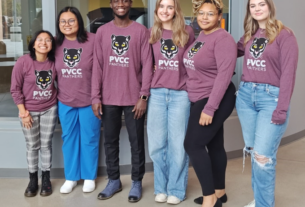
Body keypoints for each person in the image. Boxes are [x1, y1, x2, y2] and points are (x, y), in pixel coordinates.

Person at [236, 0, 299, 206]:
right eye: (252, 5)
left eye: (261, 4)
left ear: (270, 6)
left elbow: (288, 75)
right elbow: (228, 51)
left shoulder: (285, 35)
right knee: (255, 152)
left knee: (263, 157)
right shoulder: (248, 35)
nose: (257, 8)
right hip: (246, 97)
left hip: (270, 99)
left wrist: (281, 109)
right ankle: (260, 199)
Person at [91, 0, 153, 203]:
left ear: (130, 4)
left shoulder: (141, 31)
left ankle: (136, 182)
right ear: (111, 4)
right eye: (116, 1)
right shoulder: (102, 32)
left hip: (134, 99)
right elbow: (97, 67)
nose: (121, 4)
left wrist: (143, 96)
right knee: (110, 142)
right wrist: (95, 96)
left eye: (125, 0)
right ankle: (114, 180)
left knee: (136, 143)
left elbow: (147, 65)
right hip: (108, 98)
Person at [183, 0, 237, 207]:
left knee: (193, 145)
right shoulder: (202, 36)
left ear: (219, 16)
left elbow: (224, 76)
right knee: (214, 145)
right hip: (202, 96)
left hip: (215, 98)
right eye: (201, 13)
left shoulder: (223, 38)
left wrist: (210, 108)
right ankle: (219, 192)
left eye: (210, 14)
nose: (204, 17)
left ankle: (210, 200)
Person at [147, 0, 195, 204]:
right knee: (157, 145)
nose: (165, 10)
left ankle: (176, 188)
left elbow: (195, 61)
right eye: (161, 6)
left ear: (175, 10)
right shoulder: (152, 33)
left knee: (177, 145)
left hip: (180, 94)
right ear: (157, 10)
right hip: (156, 94)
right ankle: (161, 187)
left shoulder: (187, 31)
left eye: (169, 6)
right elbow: (147, 64)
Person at [55, 6, 102, 194]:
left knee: (90, 138)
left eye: (71, 20)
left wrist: (97, 97)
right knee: (69, 139)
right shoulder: (56, 43)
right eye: (63, 21)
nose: (67, 24)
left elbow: (100, 69)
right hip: (65, 100)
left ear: (79, 22)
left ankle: (89, 176)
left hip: (89, 100)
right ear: (59, 25)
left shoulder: (92, 40)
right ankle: (71, 177)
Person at [10, 30, 57, 197]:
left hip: (49, 108)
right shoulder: (23, 62)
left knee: (45, 145)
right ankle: (32, 179)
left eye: (48, 40)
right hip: (28, 111)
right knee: (32, 146)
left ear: (52, 44)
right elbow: (15, 90)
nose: (43, 43)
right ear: (33, 43)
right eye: (40, 39)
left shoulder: (54, 62)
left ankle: (46, 179)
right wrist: (24, 113)